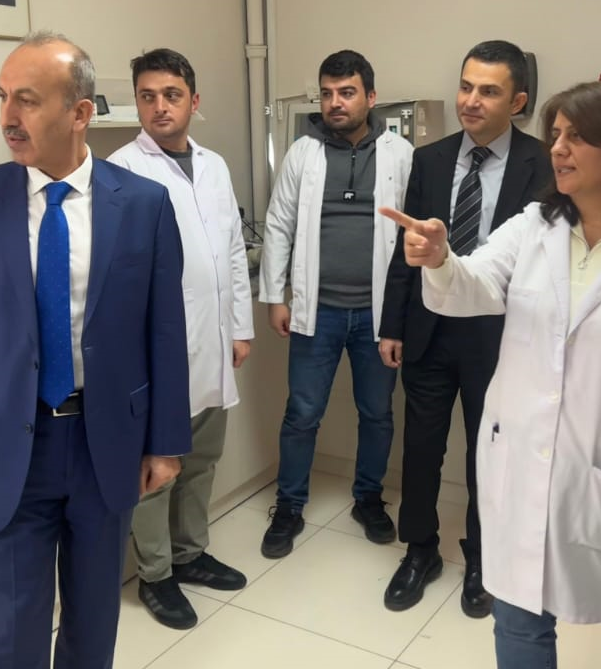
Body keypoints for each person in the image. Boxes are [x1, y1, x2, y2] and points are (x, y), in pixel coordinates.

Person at [382, 81, 601, 667]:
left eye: (578, 136)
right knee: (519, 623)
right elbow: (474, 286)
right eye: (556, 135)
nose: (559, 149)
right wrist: (440, 259)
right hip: (521, 466)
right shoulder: (534, 227)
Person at [0, 32, 192, 668]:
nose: (7, 117)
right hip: (6, 446)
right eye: (2, 97)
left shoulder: (144, 205)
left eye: (28, 100)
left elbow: (165, 331)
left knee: (94, 630)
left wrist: (166, 441)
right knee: (14, 638)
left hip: (106, 445)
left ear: (80, 112)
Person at [377, 40, 552, 617]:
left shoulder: (544, 164)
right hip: (428, 329)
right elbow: (407, 250)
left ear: (518, 102)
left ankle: (482, 557)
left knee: (491, 454)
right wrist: (392, 325)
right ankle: (419, 550)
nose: (471, 101)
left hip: (498, 338)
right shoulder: (429, 160)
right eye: (466, 86)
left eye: (489, 91)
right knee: (421, 448)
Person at [107, 48, 254, 630]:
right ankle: (156, 574)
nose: (159, 107)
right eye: (147, 97)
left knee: (202, 460)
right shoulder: (120, 171)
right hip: (158, 353)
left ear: (194, 101)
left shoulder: (214, 165)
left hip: (214, 343)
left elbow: (232, 252)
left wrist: (239, 327)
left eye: (171, 95)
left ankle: (191, 554)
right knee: (156, 468)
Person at [257, 49, 413, 557]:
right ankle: (289, 505)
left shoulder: (400, 153)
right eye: (327, 94)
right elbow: (279, 224)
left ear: (371, 96)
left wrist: (404, 314)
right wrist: (276, 296)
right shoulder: (302, 153)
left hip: (377, 314)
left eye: (346, 93)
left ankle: (368, 498)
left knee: (378, 412)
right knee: (302, 413)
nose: (335, 103)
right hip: (315, 310)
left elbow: (412, 235)